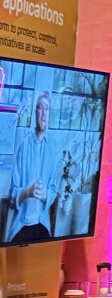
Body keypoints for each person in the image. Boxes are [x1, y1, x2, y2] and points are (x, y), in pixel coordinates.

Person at [8, 92, 57, 242]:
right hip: (21, 225)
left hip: (42, 225)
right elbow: (12, 193)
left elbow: (54, 189)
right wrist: (27, 192)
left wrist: (45, 195)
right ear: (35, 112)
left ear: (50, 114)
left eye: (46, 109)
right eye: (40, 108)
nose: (43, 113)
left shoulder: (52, 150)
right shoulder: (24, 146)